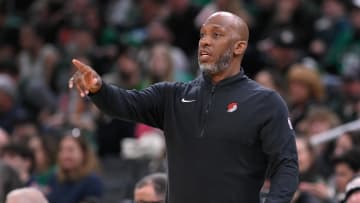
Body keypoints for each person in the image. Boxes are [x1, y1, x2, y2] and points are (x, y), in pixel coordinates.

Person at [69, 11, 299, 203]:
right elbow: (125, 104)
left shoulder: (265, 102)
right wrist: (99, 89)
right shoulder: (172, 95)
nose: (205, 41)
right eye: (202, 35)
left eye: (216, 35)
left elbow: (286, 165)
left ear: (239, 47)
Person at [47, 131, 103, 203]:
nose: (65, 155)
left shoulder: (92, 181)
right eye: (61, 150)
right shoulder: (55, 178)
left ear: (84, 153)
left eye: (70, 150)